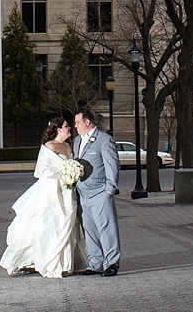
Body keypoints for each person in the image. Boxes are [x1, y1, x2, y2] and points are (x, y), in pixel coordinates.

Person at [0, 116, 87, 278]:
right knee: (49, 223)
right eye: (67, 126)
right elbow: (41, 171)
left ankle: (65, 263)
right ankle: (45, 261)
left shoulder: (68, 146)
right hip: (51, 191)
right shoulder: (48, 146)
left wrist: (72, 175)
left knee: (67, 222)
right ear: (58, 129)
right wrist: (63, 177)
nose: (70, 128)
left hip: (67, 191)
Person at [72, 107, 121, 276]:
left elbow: (112, 165)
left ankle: (112, 263)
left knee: (106, 229)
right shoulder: (77, 141)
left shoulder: (104, 140)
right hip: (84, 194)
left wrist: (109, 189)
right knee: (90, 229)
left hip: (100, 192)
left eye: (78, 122)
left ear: (88, 121)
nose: (75, 126)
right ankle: (94, 263)